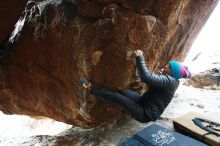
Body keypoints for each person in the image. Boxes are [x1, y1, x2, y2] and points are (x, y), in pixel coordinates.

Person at [80, 50, 192, 123]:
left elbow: (146, 77)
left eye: (168, 67)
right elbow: (153, 78)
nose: (165, 66)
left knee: (116, 97)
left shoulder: (169, 82)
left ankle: (90, 88)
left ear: (173, 73)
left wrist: (140, 57)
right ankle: (127, 109)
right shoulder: (171, 80)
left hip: (146, 114)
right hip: (143, 101)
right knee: (122, 92)